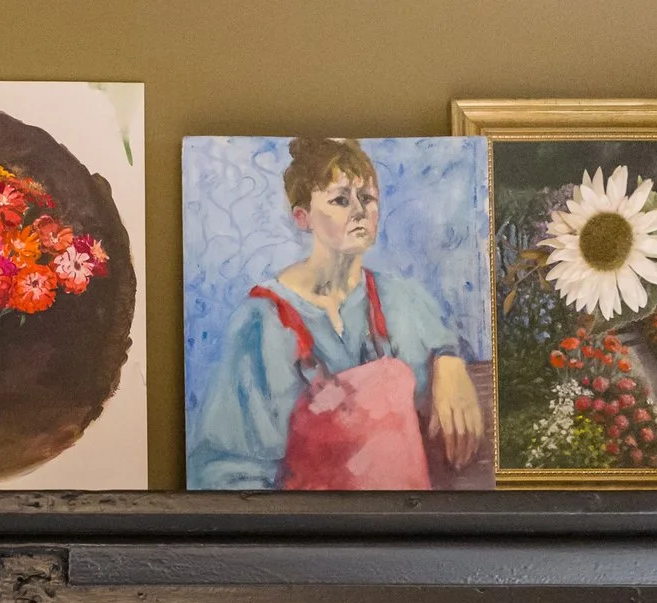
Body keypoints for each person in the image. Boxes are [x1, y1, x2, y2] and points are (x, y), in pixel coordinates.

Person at [188, 137, 484, 490]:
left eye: (368, 198)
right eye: (341, 200)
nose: (360, 211)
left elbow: (442, 346)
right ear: (302, 217)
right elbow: (228, 470)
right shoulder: (261, 322)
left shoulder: (399, 298)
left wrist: (450, 363)